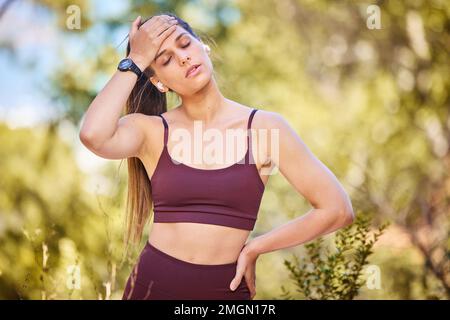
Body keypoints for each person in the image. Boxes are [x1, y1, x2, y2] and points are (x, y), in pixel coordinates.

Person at [79, 12, 355, 300]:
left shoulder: (265, 128)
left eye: (185, 44)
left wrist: (257, 246)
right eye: (165, 60)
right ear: (160, 82)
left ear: (203, 47)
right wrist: (136, 60)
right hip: (153, 286)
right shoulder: (150, 131)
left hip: (227, 291)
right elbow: (93, 135)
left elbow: (337, 209)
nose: (183, 58)